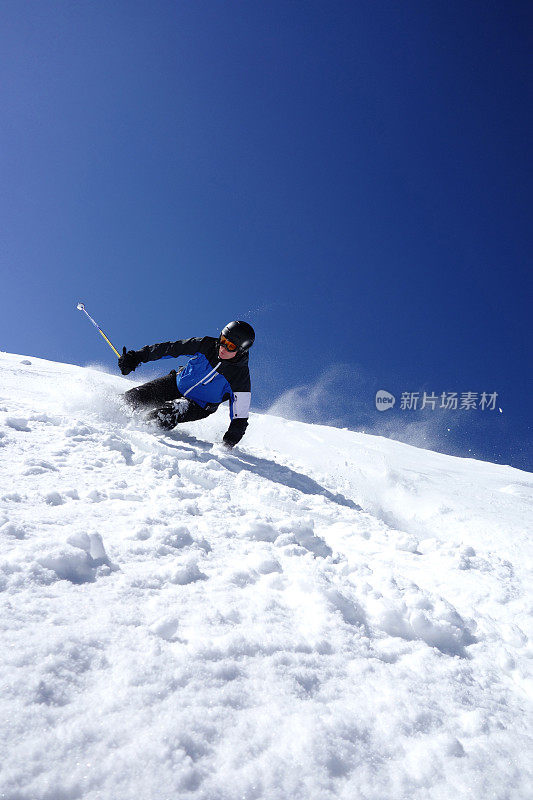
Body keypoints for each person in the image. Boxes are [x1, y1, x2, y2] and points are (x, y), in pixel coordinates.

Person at [118, 320, 254, 448]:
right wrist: (136, 357)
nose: (223, 348)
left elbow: (240, 417)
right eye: (223, 340)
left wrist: (228, 444)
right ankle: (111, 419)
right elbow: (172, 348)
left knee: (166, 414)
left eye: (230, 346)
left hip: (199, 405)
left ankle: (138, 436)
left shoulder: (240, 378)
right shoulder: (207, 345)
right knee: (132, 398)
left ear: (241, 350)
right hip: (176, 383)